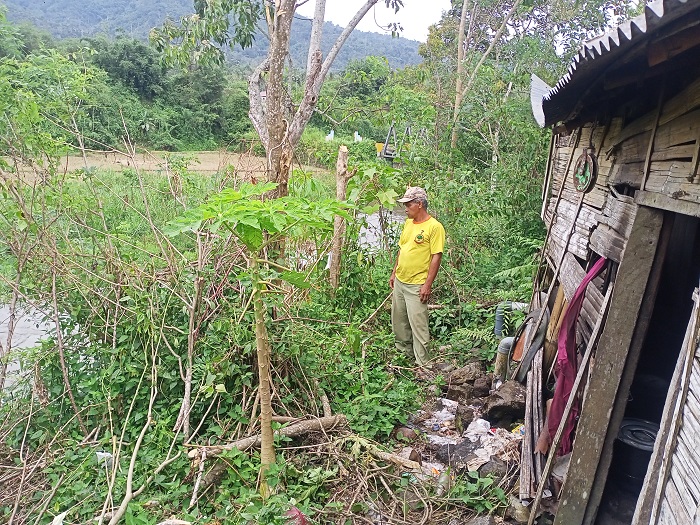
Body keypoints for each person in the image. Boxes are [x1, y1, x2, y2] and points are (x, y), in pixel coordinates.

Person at [389, 186, 445, 368]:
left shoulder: (434, 227)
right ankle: (404, 355)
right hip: (400, 280)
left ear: (419, 204)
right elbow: (402, 249)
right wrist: (394, 272)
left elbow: (436, 256)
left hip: (416, 284)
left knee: (419, 325)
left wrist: (427, 284)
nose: (405, 208)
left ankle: (424, 364)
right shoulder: (408, 224)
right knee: (399, 321)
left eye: (408, 204)